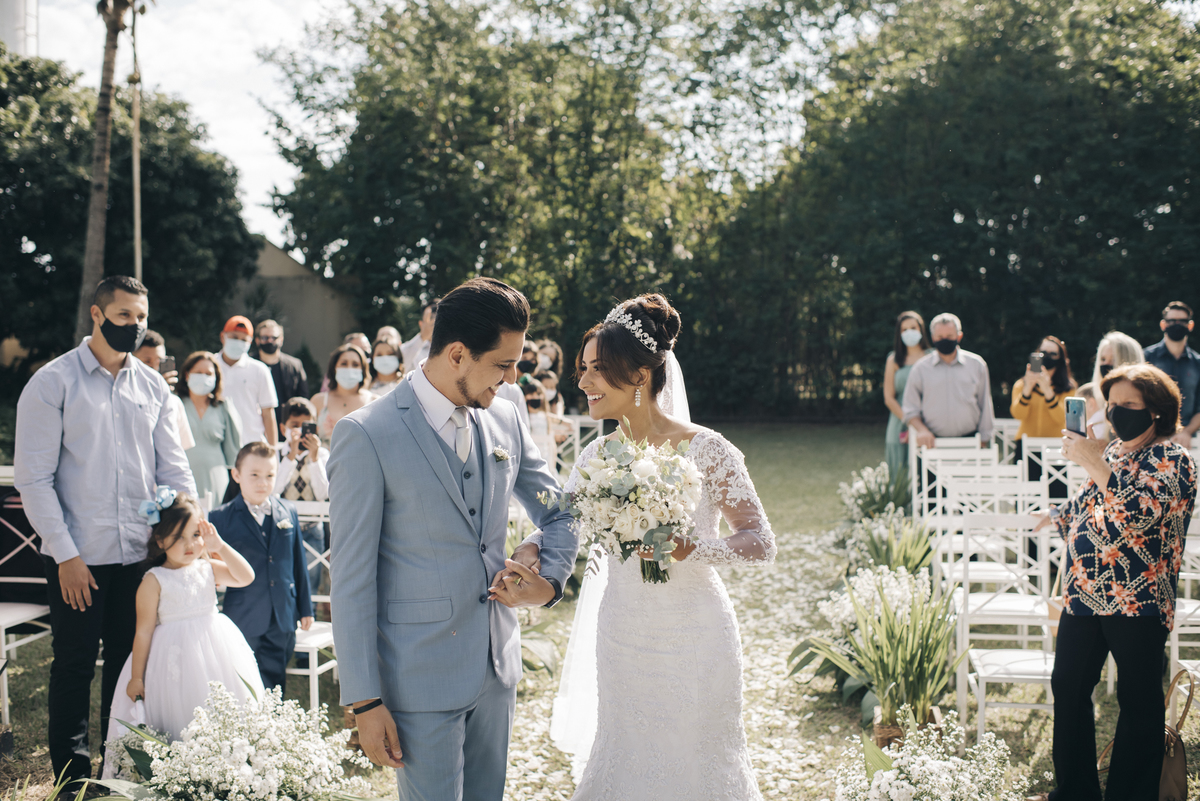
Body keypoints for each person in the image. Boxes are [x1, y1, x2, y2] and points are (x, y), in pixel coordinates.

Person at [327, 277, 577, 801]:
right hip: (416, 676)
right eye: (504, 364)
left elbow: (562, 513)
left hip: (496, 664)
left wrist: (547, 579)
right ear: (458, 353)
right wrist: (365, 702)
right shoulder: (366, 434)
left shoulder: (506, 413)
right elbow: (351, 578)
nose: (514, 377)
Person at [539, 293, 774, 799]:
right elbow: (563, 527)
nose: (582, 383)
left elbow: (760, 542)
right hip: (622, 635)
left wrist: (695, 549)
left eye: (597, 370)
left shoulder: (708, 449)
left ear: (640, 377)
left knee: (699, 764)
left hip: (697, 637)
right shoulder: (596, 455)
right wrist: (527, 556)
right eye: (583, 370)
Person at [14, 275, 196, 786]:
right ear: (97, 315)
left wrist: (188, 532)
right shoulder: (53, 383)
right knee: (74, 665)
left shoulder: (152, 384)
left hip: (139, 556)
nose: (135, 327)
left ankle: (120, 772)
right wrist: (66, 555)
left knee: (130, 664)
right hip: (78, 557)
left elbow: (174, 469)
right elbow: (33, 478)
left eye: (141, 318)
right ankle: (73, 782)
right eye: (123, 317)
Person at [1032, 363, 1197, 801]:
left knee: (1138, 701)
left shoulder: (1173, 460)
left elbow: (1139, 515)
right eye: (1112, 404)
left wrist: (1094, 461)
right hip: (1084, 594)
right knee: (1068, 687)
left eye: (1128, 405)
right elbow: (1090, 502)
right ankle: (1075, 793)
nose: (1116, 412)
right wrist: (1054, 516)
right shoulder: (1117, 454)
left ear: (1156, 412)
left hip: (1138, 600)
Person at [102, 489, 262, 756]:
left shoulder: (207, 567)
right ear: (161, 540)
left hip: (215, 650)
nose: (190, 545)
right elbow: (143, 632)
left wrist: (219, 546)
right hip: (172, 658)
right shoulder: (154, 580)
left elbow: (246, 577)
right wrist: (137, 677)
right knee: (179, 711)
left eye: (196, 535)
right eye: (179, 537)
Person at [207, 443, 314, 690]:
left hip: (282, 614)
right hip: (242, 613)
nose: (262, 483)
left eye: (269, 476)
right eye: (254, 475)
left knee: (275, 677)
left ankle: (272, 723)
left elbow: (298, 561)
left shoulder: (288, 510)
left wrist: (305, 608)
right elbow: (212, 567)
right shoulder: (220, 517)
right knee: (240, 677)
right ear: (236, 475)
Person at [902, 312, 995, 448]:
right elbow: (910, 408)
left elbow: (985, 404)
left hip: (971, 442)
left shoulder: (977, 365)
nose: (945, 340)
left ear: (959, 336)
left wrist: (984, 438)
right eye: (940, 337)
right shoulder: (920, 368)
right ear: (933, 338)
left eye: (950, 336)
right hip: (932, 443)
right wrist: (922, 430)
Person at [275, 397, 330, 592]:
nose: (299, 430)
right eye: (294, 425)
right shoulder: (276, 454)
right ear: (283, 429)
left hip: (313, 527)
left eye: (305, 425)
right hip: (283, 526)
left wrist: (314, 459)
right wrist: (290, 458)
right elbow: (274, 490)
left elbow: (323, 493)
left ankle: (310, 615)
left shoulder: (322, 455)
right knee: (284, 577)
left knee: (310, 582)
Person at [177, 352, 243, 502]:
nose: (203, 377)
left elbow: (234, 452)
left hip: (216, 479)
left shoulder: (223, 407)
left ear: (216, 378)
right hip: (182, 477)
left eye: (208, 374)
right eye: (198, 373)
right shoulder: (175, 403)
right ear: (187, 375)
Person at [1143, 301, 1200, 446]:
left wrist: (1186, 432)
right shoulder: (1146, 358)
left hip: (1189, 440)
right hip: (1151, 438)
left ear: (1190, 325)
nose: (1176, 324)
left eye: (1182, 321)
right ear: (1163, 325)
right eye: (1172, 321)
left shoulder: (1197, 363)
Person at [216, 315, 278, 447]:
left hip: (251, 445)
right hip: (216, 444)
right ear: (223, 337)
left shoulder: (259, 370)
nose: (238, 342)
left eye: (243, 339)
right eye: (233, 337)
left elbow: (268, 413)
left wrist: (273, 451)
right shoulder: (210, 366)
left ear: (250, 342)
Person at [883, 311, 931, 479]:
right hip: (900, 421)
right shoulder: (894, 359)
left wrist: (919, 426)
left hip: (927, 422)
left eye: (913, 328)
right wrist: (909, 421)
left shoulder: (931, 357)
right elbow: (889, 397)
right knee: (900, 474)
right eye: (904, 330)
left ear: (921, 330)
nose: (909, 332)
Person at [134, 330, 195, 452]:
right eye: (147, 362)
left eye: (160, 362)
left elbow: (181, 449)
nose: (155, 368)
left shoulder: (174, 402)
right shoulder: (121, 398)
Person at [1011, 335, 1077, 441]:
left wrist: (1047, 390)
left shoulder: (1069, 388)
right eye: (1044, 353)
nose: (1048, 357)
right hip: (1026, 443)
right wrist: (1027, 389)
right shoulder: (1021, 384)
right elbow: (1018, 415)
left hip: (1055, 444)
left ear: (1060, 359)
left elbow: (1061, 419)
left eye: (1053, 354)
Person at [311, 344, 376, 442]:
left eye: (355, 364)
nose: (349, 368)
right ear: (334, 368)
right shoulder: (318, 401)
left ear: (362, 369)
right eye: (344, 364)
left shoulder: (374, 401)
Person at [255, 319, 309, 408]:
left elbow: (303, 399)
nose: (269, 341)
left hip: (285, 420)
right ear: (257, 340)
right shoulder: (248, 364)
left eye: (274, 338)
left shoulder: (295, 366)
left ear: (281, 339)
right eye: (265, 338)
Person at [401, 299, 439, 369]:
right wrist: (422, 337)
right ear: (421, 324)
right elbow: (401, 359)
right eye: (430, 317)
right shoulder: (413, 349)